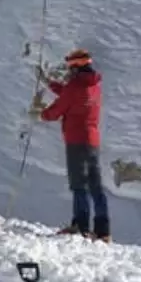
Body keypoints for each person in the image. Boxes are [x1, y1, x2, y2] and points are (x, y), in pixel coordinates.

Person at [39, 48, 110, 241]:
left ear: (77, 67)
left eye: (71, 67)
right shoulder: (94, 85)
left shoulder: (74, 87)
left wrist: (42, 113)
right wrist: (51, 85)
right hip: (92, 140)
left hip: (76, 141)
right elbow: (71, 95)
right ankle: (103, 231)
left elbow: (57, 109)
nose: (69, 71)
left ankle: (80, 226)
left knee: (79, 184)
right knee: (95, 185)